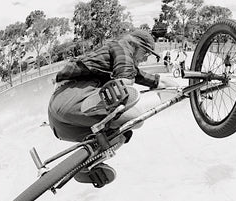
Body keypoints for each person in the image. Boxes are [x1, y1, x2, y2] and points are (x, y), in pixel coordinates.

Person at [48, 29, 176, 187]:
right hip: (69, 98)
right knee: (132, 111)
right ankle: (100, 104)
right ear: (135, 46)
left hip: (63, 127)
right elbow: (125, 81)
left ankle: (87, 164)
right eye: (146, 53)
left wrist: (180, 86)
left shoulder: (125, 63)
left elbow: (158, 82)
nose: (146, 58)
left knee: (123, 131)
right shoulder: (121, 49)